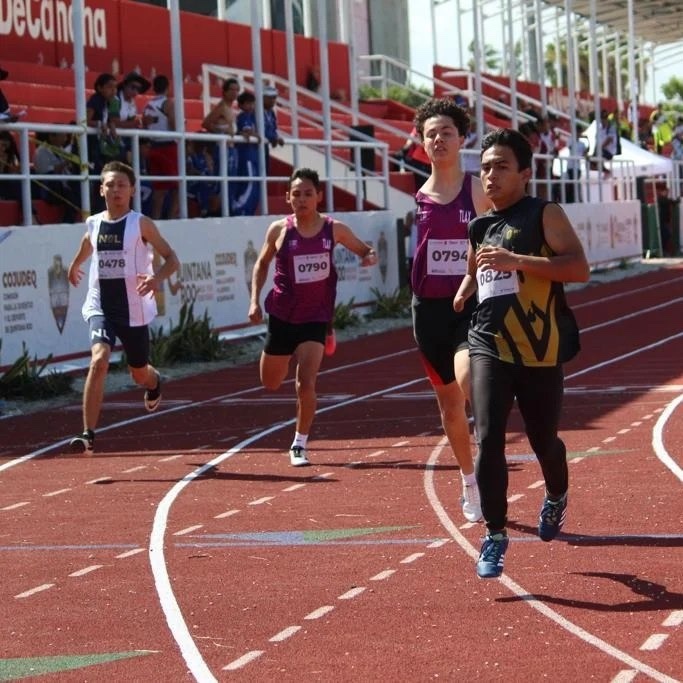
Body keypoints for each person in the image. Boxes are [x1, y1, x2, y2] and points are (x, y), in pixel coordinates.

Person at [454, 128, 589, 579]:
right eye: (485, 168)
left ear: (525, 173)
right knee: (489, 437)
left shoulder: (544, 213)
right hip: (488, 343)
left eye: (501, 166)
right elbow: (476, 268)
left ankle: (556, 494)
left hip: (538, 347)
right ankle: (494, 535)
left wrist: (518, 262)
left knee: (543, 439)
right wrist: (464, 290)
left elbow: (579, 267)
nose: (490, 175)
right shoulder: (479, 225)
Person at [248, 167, 377, 467]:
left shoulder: (334, 229)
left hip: (315, 317)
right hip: (282, 315)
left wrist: (370, 257)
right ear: (288, 197)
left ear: (319, 196)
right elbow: (261, 264)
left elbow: (365, 250)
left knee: (305, 383)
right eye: (296, 194)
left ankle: (299, 444)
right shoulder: (279, 230)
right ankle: (297, 347)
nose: (302, 199)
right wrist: (254, 301)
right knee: (270, 382)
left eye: (308, 194)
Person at [410, 97, 493, 522]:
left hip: (470, 306)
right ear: (422, 143)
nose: (439, 139)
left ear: (462, 139)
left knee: (469, 382)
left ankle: (490, 462)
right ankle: (469, 480)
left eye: (447, 132)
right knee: (449, 406)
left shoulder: (476, 190)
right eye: (431, 134)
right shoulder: (418, 196)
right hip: (428, 312)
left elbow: (503, 234)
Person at [66, 161, 180, 455]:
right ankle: (88, 434)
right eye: (110, 185)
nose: (115, 190)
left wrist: (156, 279)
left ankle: (154, 383)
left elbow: (172, 259)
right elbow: (88, 243)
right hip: (101, 305)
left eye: (121, 185)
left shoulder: (141, 224)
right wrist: (75, 264)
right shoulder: (94, 222)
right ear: (101, 190)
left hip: (133, 308)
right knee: (99, 359)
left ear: (132, 190)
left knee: (139, 373)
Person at [142, 75, 179, 219]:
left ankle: (156, 219)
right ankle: (172, 218)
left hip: (153, 147)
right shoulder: (168, 103)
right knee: (178, 185)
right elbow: (174, 125)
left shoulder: (147, 106)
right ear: (168, 87)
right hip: (167, 147)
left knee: (159, 189)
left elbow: (145, 125)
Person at [262, 85, 285, 175]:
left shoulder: (271, 112)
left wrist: (275, 136)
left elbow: (273, 128)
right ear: (263, 98)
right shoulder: (256, 111)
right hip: (255, 148)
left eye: (274, 98)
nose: (272, 100)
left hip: (265, 146)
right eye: (269, 98)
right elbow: (260, 129)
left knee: (265, 173)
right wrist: (273, 137)